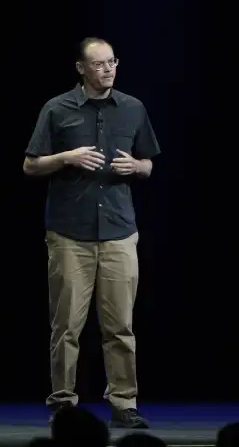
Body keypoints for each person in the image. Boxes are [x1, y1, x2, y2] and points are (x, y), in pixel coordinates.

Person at [23, 37, 160, 429]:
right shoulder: (57, 108)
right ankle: (63, 403)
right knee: (67, 324)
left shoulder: (132, 108)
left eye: (112, 62)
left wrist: (137, 167)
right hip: (70, 233)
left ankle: (124, 402)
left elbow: (149, 163)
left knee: (120, 324)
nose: (108, 70)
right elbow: (30, 165)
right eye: (98, 64)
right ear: (81, 68)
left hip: (118, 231)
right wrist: (67, 157)